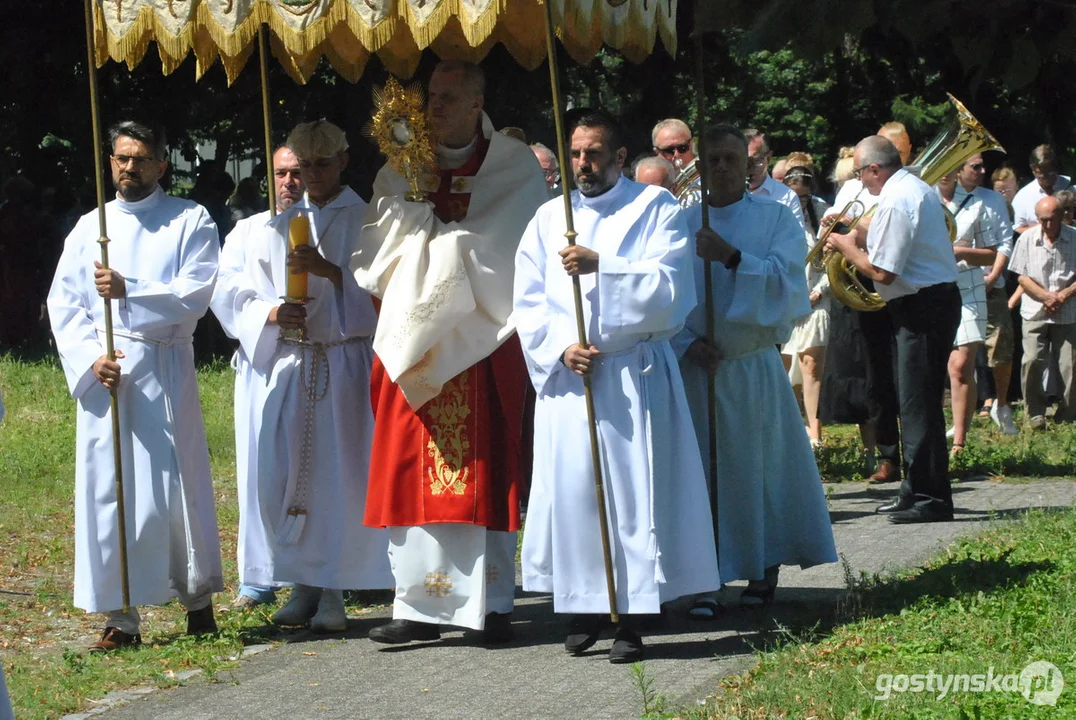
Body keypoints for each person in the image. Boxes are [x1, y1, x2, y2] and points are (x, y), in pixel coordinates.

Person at [353, 61, 550, 645]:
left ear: (477, 101)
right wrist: (417, 218)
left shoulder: (513, 167)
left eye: (447, 97)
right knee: (411, 470)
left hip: (479, 341)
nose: (433, 106)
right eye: (431, 95)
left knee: (484, 468)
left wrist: (446, 242)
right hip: (416, 343)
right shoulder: (398, 166)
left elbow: (514, 246)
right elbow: (376, 246)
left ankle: (491, 606)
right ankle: (415, 608)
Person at [513, 109, 720, 662]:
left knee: (635, 498)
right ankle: (584, 605)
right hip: (573, 376)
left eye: (595, 153)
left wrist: (604, 265)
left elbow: (673, 288)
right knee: (577, 493)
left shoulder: (654, 208)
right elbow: (528, 297)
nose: (584, 164)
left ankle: (634, 617)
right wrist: (560, 344)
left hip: (633, 374)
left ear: (620, 157)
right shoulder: (547, 217)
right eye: (576, 154)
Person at [46, 120, 223, 650]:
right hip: (111, 372)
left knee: (173, 489)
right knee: (112, 491)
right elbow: (65, 304)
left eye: (141, 159)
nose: (130, 168)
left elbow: (197, 292)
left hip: (164, 366)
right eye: (121, 158)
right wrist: (88, 360)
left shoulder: (190, 220)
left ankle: (197, 603)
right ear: (111, 164)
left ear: (162, 165)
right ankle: (121, 618)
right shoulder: (89, 227)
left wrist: (132, 288)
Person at [220, 121, 393, 632]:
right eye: (304, 165)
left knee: (339, 478)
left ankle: (336, 590)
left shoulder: (369, 218)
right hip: (293, 361)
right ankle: (302, 584)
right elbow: (231, 287)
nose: (312, 175)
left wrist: (330, 272)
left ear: (343, 161)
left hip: (344, 360)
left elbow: (389, 291)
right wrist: (272, 314)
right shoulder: (275, 224)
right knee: (291, 476)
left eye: (322, 164)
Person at [677, 124, 836, 613]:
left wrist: (731, 258)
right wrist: (685, 340)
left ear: (749, 166)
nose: (722, 168)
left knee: (759, 471)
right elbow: (662, 293)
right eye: (713, 160)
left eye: (731, 159)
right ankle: (705, 579)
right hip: (694, 366)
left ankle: (764, 572)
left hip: (749, 365)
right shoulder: (681, 222)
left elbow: (789, 288)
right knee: (700, 475)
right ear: (700, 168)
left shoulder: (775, 218)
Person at [827, 136, 960, 524]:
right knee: (913, 402)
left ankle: (930, 499)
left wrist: (844, 245)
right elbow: (891, 239)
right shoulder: (910, 188)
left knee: (918, 405)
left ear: (874, 169)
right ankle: (914, 489)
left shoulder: (899, 198)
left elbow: (884, 271)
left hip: (923, 308)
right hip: (924, 305)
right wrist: (854, 229)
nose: (859, 182)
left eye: (860, 174)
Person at [210, 144, 304, 609]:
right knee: (260, 471)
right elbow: (224, 287)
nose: (289, 182)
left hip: (315, 361)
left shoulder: (328, 225)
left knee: (308, 470)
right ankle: (261, 574)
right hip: (263, 360)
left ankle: (317, 574)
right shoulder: (246, 231)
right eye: (281, 173)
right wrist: (268, 313)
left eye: (298, 172)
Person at [825, 122, 914, 486]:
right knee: (876, 376)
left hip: (901, 283)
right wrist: (837, 224)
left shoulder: (908, 187)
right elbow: (828, 237)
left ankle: (920, 455)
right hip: (864, 286)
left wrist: (856, 226)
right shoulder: (851, 186)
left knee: (909, 374)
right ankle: (888, 455)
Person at [935, 164, 1002, 454]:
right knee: (936, 368)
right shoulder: (923, 199)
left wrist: (960, 251)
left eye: (953, 166)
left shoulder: (975, 202)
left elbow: (992, 252)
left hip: (969, 289)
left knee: (960, 366)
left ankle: (960, 441)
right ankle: (935, 437)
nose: (946, 172)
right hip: (933, 289)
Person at [818, 147, 877, 470]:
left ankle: (887, 452)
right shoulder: (849, 195)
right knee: (856, 374)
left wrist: (849, 224)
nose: (852, 181)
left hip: (875, 283)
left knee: (878, 373)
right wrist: (830, 229)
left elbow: (884, 233)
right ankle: (872, 451)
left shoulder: (885, 195)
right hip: (850, 294)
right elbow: (824, 244)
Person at [953, 154, 1018, 435]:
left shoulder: (993, 199)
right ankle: (963, 417)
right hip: (955, 284)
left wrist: (994, 276)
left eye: (982, 166)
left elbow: (1005, 242)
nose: (982, 171)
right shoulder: (942, 196)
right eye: (975, 167)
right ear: (959, 170)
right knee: (961, 356)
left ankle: (1001, 405)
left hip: (991, 284)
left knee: (1000, 347)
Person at [1007, 196, 1076, 428]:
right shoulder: (1026, 239)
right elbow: (1021, 276)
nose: (1047, 224)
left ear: (1061, 216)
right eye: (1042, 220)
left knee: (1070, 364)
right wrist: (1045, 296)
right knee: (1032, 360)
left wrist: (1063, 295)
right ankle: (1035, 413)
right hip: (1035, 309)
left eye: (1051, 219)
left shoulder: (1074, 237)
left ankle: (1067, 414)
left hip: (1067, 309)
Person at [782, 160, 832, 447]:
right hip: (791, 301)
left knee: (811, 366)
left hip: (817, 299)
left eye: (804, 195)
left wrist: (822, 290)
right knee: (790, 370)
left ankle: (816, 432)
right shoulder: (780, 215)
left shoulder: (822, 211)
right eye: (795, 195)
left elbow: (833, 259)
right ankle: (795, 430)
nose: (800, 201)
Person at [743, 129, 805, 227]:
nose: (748, 167)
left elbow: (796, 239)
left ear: (768, 157)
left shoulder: (787, 197)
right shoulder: (720, 193)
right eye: (743, 161)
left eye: (755, 160)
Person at [1013, 145, 1071, 233]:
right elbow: (1018, 228)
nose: (1045, 177)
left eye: (1049, 172)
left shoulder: (1070, 187)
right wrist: (1044, 229)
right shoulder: (1023, 196)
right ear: (1033, 171)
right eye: (1040, 173)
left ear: (1055, 168)